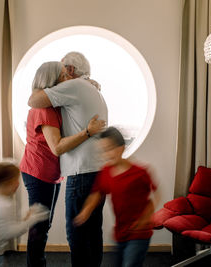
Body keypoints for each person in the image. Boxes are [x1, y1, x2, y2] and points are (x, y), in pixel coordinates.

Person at [20, 61, 106, 267]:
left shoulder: (56, 103)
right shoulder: (44, 109)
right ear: (52, 80)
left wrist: (88, 83)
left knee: (45, 224)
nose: (68, 77)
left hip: (51, 172)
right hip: (39, 171)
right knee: (40, 226)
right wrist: (88, 132)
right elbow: (57, 148)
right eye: (63, 75)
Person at [74, 127, 160, 267]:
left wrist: (147, 217)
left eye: (109, 149)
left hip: (139, 233)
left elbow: (155, 195)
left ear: (121, 147)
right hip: (120, 232)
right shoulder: (106, 172)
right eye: (102, 151)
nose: (106, 154)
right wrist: (86, 210)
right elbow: (97, 193)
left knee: (130, 264)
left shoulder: (140, 173)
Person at [0, 160, 49, 267]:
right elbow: (9, 233)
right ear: (9, 183)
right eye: (17, 180)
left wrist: (26, 218)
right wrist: (33, 219)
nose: (18, 183)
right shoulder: (6, 205)